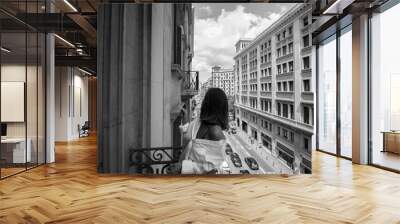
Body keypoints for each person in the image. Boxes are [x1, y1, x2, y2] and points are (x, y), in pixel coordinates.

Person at [177, 88, 229, 174]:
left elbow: (213, 167)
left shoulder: (215, 131)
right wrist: (185, 118)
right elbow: (189, 138)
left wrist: (183, 167)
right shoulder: (197, 122)